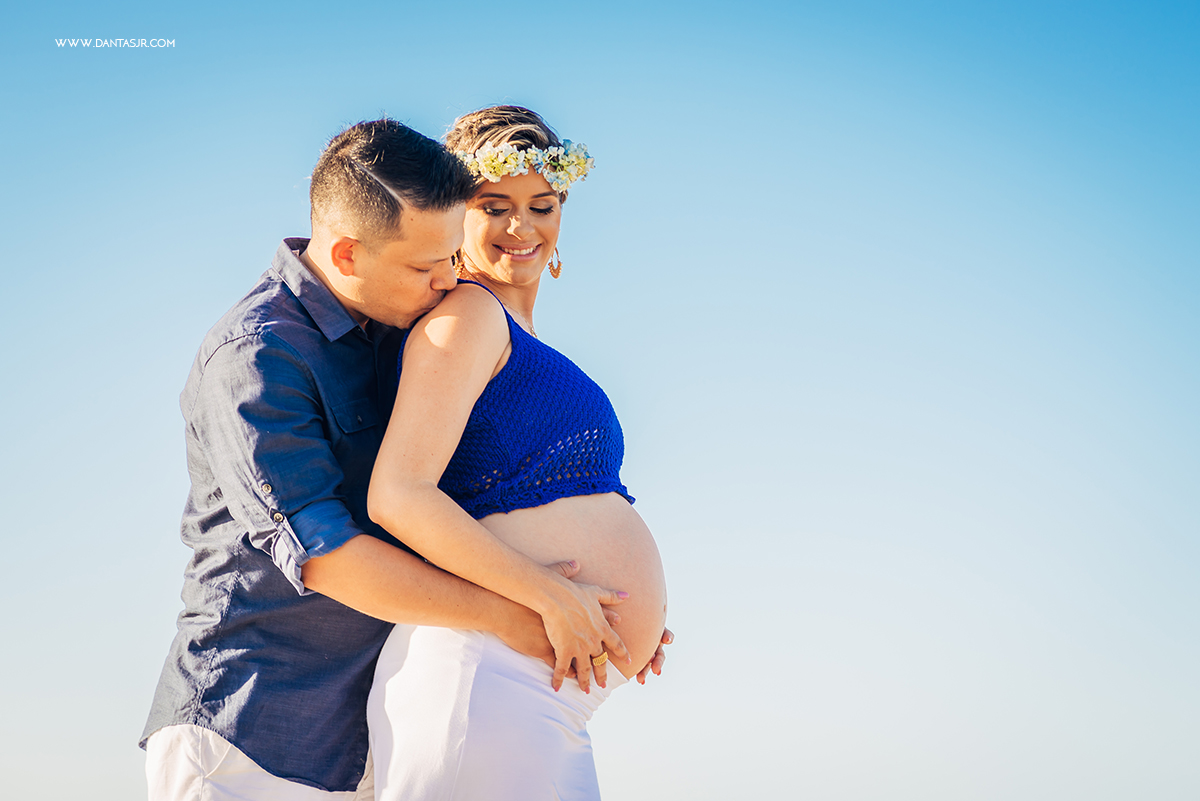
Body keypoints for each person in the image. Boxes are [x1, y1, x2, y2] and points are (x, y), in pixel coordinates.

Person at [139, 119, 648, 801]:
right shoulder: (256, 357)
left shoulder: (397, 326)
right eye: (426, 264)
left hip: (355, 740)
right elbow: (327, 556)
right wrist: (532, 608)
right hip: (250, 733)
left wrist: (603, 617)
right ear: (348, 255)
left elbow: (472, 500)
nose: (448, 280)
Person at [366, 106, 669, 801]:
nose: (521, 226)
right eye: (494, 205)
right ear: (454, 216)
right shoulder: (469, 316)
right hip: (484, 676)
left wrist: (622, 619)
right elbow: (399, 494)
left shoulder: (515, 332)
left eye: (543, 205)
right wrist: (557, 595)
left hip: (531, 691)